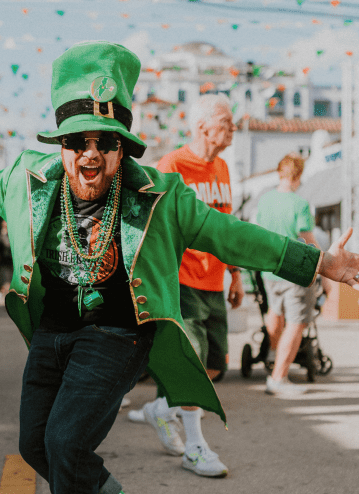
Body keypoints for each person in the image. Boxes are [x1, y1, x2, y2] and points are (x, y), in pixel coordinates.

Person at [0, 41, 359, 494]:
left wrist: (318, 262)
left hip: (116, 336)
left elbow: (233, 236)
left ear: (123, 148)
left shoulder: (161, 195)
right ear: (60, 145)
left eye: (104, 142)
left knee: (65, 442)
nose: (90, 155)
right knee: (36, 446)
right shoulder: (26, 179)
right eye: (77, 142)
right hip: (51, 331)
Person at [127, 94, 241, 477]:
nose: (233, 127)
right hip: (181, 280)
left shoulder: (223, 167)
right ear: (202, 126)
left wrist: (236, 273)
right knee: (192, 364)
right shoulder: (172, 164)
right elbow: (152, 225)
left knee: (213, 367)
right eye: (226, 121)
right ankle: (195, 448)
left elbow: (226, 226)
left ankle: (160, 410)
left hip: (214, 281)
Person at [256, 153, 327, 396]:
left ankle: (275, 355)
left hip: (268, 268)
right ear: (298, 176)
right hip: (294, 269)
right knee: (297, 322)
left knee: (274, 311)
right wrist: (324, 270)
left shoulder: (264, 201)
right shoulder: (300, 204)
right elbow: (307, 238)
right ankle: (279, 378)